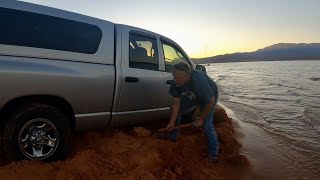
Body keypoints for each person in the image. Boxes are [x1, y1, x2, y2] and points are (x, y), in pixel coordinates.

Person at [165, 62, 219, 161]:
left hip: (209, 97)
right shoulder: (176, 83)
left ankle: (213, 156)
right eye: (174, 76)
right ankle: (173, 136)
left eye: (177, 78)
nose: (175, 80)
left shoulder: (199, 81)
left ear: (186, 76)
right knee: (175, 110)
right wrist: (172, 122)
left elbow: (210, 101)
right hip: (192, 95)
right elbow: (176, 104)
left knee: (207, 125)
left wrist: (201, 119)